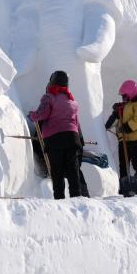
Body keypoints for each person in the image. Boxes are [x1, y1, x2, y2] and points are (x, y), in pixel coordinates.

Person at [29, 71, 83, 199]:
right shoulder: (72, 101)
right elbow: (77, 123)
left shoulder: (49, 97)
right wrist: (80, 140)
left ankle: (59, 199)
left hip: (55, 140)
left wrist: (32, 115)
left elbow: (42, 114)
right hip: (72, 139)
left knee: (57, 170)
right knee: (72, 170)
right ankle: (76, 197)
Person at [105, 101, 128, 179]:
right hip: (136, 139)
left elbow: (108, 125)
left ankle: (124, 182)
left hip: (123, 140)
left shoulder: (118, 112)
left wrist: (115, 114)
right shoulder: (133, 107)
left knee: (124, 163)